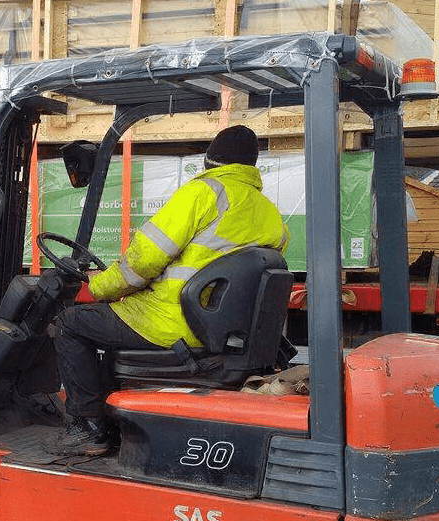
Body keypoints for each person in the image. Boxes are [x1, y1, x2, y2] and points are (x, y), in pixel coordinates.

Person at [52, 125, 288, 455]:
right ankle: (111, 414)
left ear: (209, 160)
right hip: (222, 333)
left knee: (70, 324)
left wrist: (100, 286)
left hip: (170, 322)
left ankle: (88, 427)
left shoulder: (203, 192)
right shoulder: (270, 214)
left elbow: (145, 258)